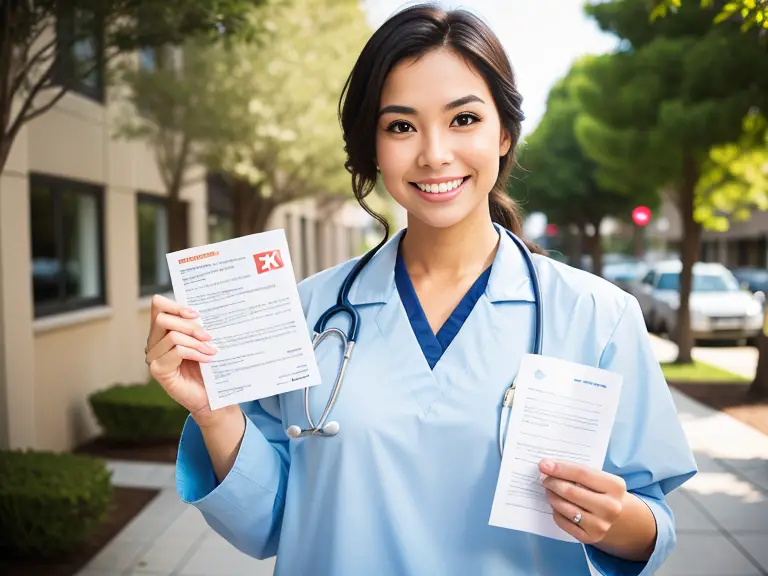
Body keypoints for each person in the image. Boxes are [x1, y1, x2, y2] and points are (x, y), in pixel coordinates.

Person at [144, 4, 697, 575]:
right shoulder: (308, 312)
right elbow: (268, 520)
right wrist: (216, 414)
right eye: (401, 126)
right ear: (374, 148)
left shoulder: (597, 316)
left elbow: (650, 525)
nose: (434, 153)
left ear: (505, 133)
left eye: (463, 120)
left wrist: (614, 518)